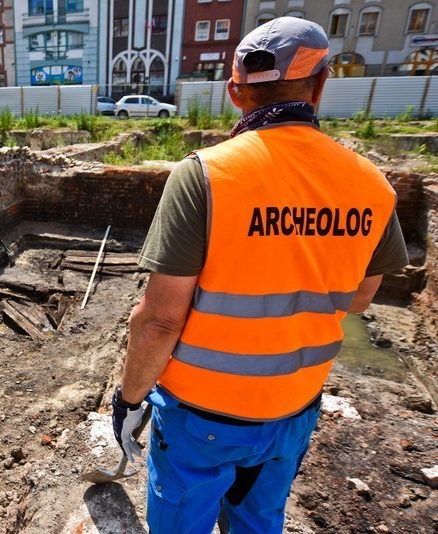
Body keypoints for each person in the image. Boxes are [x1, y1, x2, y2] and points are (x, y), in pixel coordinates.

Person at [111, 17, 409, 534]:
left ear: (235, 92)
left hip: (201, 418)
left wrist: (130, 399)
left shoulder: (206, 176)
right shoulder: (372, 186)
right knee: (257, 522)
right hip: (293, 409)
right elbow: (360, 299)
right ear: (321, 83)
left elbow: (159, 321)